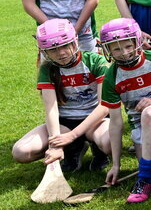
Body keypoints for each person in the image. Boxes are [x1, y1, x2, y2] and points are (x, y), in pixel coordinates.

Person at [98, 18, 151, 203]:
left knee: (149, 112)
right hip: (139, 120)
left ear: (137, 41)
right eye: (116, 49)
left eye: (128, 46)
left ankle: (144, 181)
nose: (124, 53)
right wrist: (116, 165)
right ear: (107, 50)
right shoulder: (111, 77)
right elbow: (115, 123)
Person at [12, 20, 111, 175]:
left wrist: (73, 135)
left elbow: (104, 106)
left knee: (109, 143)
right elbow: (51, 109)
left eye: (65, 45)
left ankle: (99, 150)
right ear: (44, 51)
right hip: (65, 122)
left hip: (95, 121)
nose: (61, 53)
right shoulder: (47, 69)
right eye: (53, 49)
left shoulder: (96, 61)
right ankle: (74, 148)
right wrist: (55, 144)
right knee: (21, 152)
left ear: (75, 41)